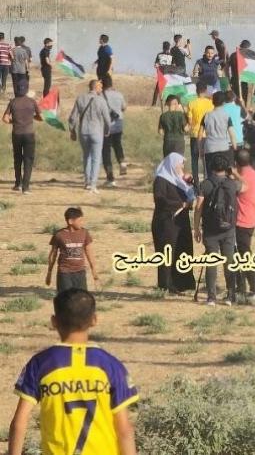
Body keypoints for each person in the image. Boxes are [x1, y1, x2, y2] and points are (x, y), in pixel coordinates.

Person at [8, 289, 138, 455]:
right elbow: (124, 429)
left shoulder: (40, 363)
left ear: (54, 321)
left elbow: (19, 422)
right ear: (94, 320)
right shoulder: (110, 365)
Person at [193, 153, 242, 306]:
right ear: (225, 168)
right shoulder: (232, 184)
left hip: (210, 229)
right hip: (228, 229)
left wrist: (196, 228)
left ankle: (211, 297)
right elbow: (245, 186)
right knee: (229, 261)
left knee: (211, 263)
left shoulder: (205, 184)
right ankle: (230, 295)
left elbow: (198, 208)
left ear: (211, 167)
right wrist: (233, 173)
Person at [151, 153, 197, 294]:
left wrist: (191, 182)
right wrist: (180, 204)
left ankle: (182, 284)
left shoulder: (180, 180)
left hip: (181, 222)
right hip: (166, 222)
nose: (182, 167)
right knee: (167, 253)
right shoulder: (161, 180)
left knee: (183, 251)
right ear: (172, 164)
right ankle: (166, 285)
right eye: (180, 164)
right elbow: (159, 199)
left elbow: (194, 195)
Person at [69, 79, 111, 194]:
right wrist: (107, 130)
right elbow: (107, 118)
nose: (101, 89)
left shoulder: (80, 98)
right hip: (97, 131)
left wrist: (72, 130)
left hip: (83, 131)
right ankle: (93, 184)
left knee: (86, 157)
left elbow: (73, 117)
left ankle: (87, 182)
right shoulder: (101, 100)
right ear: (95, 87)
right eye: (100, 87)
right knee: (96, 159)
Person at [45, 207, 99, 292]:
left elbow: (89, 252)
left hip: (80, 272)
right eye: (80, 220)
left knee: (81, 296)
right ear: (70, 221)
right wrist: (49, 272)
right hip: (64, 272)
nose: (82, 223)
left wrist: (94, 270)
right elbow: (53, 254)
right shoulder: (59, 235)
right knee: (66, 296)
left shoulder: (84, 233)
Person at [232, 148, 255, 302]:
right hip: (250, 218)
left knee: (243, 256)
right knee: (242, 254)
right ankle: (241, 287)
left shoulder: (242, 179)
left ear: (236, 163)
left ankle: (254, 288)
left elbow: (241, 185)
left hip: (242, 221)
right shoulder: (254, 173)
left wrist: (233, 174)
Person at [3, 84, 41, 194]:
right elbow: (41, 117)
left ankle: (17, 184)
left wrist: (14, 122)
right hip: (29, 134)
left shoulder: (13, 102)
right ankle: (26, 187)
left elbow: (5, 119)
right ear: (26, 90)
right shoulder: (32, 102)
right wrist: (32, 117)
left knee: (17, 158)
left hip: (17, 134)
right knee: (28, 160)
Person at [101, 77, 128, 187]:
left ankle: (110, 178)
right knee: (118, 145)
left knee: (106, 152)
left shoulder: (100, 96)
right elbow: (124, 107)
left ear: (102, 85)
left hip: (106, 127)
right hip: (118, 125)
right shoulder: (119, 94)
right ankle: (122, 162)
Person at [200, 91, 237, 169]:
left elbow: (200, 135)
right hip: (224, 148)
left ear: (212, 102)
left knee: (211, 173)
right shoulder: (226, 116)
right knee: (226, 172)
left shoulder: (206, 116)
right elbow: (232, 134)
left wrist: (201, 149)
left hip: (210, 148)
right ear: (223, 103)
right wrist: (234, 147)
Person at [186, 82, 213, 186]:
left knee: (194, 159)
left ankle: (196, 183)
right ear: (205, 91)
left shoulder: (191, 103)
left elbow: (189, 121)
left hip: (195, 134)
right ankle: (206, 181)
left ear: (196, 91)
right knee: (205, 159)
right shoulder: (210, 103)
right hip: (207, 134)